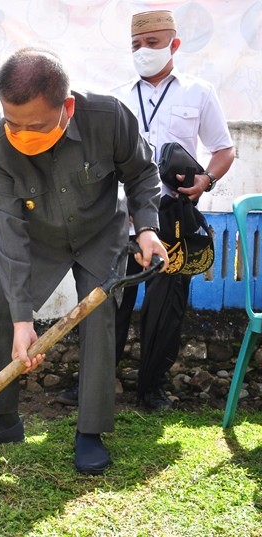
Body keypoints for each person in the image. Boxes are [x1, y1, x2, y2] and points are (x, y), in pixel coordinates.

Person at [0, 48, 168, 475]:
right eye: (11, 121)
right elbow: (8, 235)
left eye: (34, 125)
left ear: (66, 107)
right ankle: (2, 421)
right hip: (37, 241)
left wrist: (146, 227)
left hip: (99, 234)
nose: (20, 134)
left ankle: (89, 432)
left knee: (98, 319)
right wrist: (23, 320)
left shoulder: (109, 117)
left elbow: (143, 173)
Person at [110, 10, 235, 411]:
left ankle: (152, 389)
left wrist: (206, 182)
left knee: (166, 306)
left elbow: (224, 149)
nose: (142, 52)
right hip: (123, 213)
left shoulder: (199, 92)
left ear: (174, 45)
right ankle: (93, 385)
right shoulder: (117, 97)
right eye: (135, 45)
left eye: (151, 43)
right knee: (112, 301)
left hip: (174, 217)